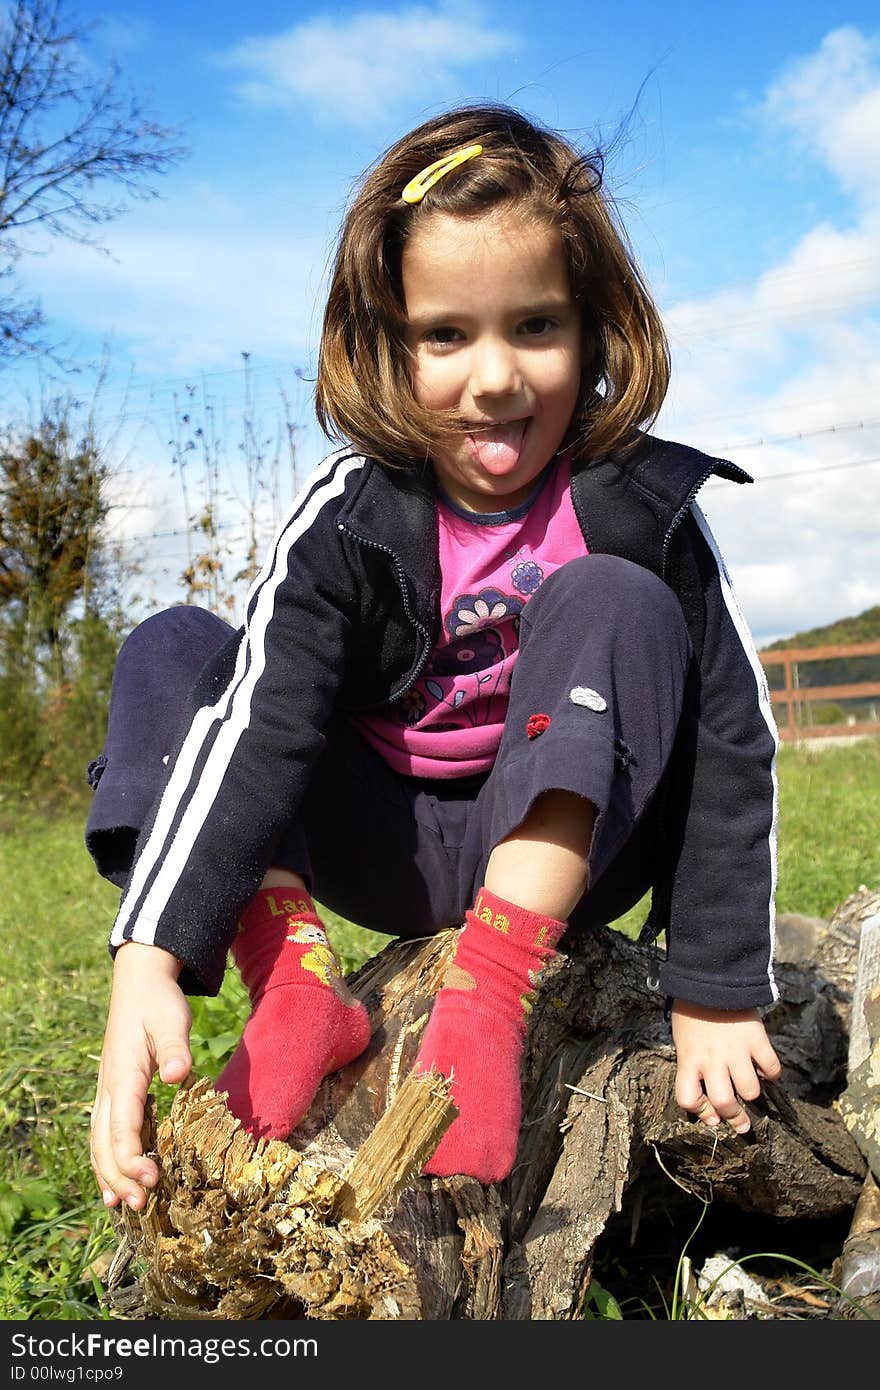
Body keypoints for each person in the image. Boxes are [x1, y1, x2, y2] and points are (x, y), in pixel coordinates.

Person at [87, 103, 783, 1212]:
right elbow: (259, 722)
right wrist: (148, 956)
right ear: (385, 341)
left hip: (566, 840)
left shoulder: (639, 503)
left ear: (596, 328)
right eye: (446, 336)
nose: (494, 377)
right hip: (389, 842)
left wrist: (714, 987)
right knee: (181, 651)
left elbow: (733, 738)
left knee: (610, 597)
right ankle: (299, 987)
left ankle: (487, 993)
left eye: (537, 327)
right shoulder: (352, 517)